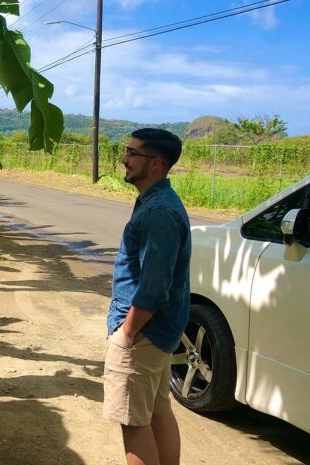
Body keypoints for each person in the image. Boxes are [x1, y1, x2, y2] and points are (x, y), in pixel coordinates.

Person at [103, 128, 191, 465]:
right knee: (157, 412)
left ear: (156, 163)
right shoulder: (158, 202)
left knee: (134, 424)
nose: (124, 159)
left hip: (143, 336)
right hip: (158, 335)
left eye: (132, 153)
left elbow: (154, 288)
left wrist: (126, 334)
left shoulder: (157, 213)